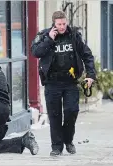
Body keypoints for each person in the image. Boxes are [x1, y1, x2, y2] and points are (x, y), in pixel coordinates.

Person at [31, 11, 96, 156]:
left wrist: (91, 75)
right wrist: (49, 40)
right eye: (59, 24)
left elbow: (87, 54)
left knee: (71, 111)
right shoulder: (44, 35)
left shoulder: (74, 36)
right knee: (55, 115)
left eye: (64, 24)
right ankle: (56, 147)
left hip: (70, 81)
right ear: (54, 23)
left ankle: (68, 140)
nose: (62, 27)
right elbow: (35, 52)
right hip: (52, 82)